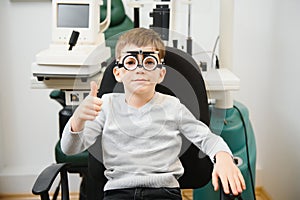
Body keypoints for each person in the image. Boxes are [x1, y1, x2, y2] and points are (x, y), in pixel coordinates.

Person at [61, 27, 246, 200]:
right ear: (118, 73)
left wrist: (223, 157)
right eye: (131, 62)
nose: (140, 69)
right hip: (118, 192)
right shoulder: (105, 106)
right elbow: (69, 149)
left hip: (164, 192)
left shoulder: (173, 107)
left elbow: (208, 138)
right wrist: (77, 120)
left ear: (161, 74)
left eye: (149, 62)